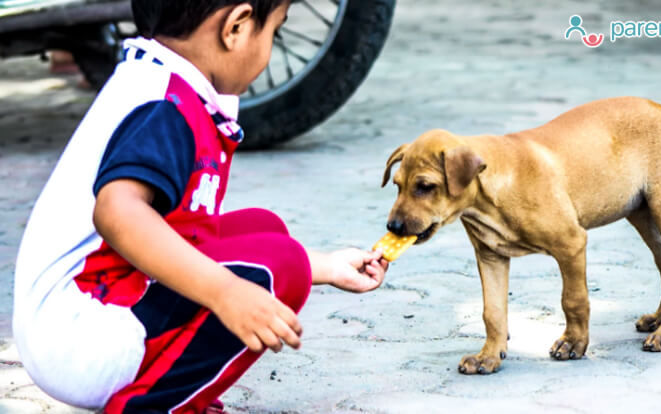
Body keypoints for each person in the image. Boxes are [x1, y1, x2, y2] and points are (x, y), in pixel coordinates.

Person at [12, 1, 389, 413]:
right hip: (82, 340)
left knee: (268, 233)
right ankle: (155, 404)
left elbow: (183, 233)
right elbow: (117, 212)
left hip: (82, 322)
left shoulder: (160, 76)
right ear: (236, 27)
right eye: (274, 33)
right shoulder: (164, 106)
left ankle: (169, 384)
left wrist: (329, 267)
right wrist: (226, 292)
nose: (268, 50)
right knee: (278, 268)